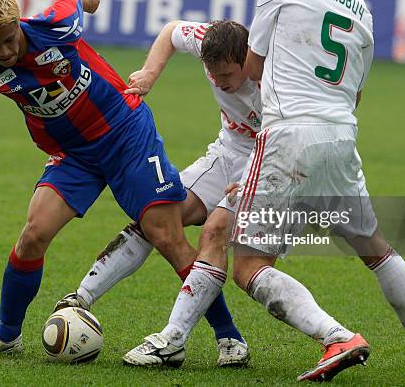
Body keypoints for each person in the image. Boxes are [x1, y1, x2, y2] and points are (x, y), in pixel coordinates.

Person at [124, 0, 405, 381]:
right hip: (342, 137)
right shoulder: (362, 8)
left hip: (288, 138)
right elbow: (356, 92)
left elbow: (252, 66)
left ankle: (338, 337)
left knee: (248, 265)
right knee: (376, 249)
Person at [0, 0, 197, 354]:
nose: (5, 52)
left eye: (9, 40)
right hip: (74, 156)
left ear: (18, 22)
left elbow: (85, 2)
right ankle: (7, 336)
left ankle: (228, 336)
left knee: (166, 236)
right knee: (33, 235)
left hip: (125, 133)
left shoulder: (55, 23)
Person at [54, 19, 257, 367]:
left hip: (268, 162)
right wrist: (149, 74)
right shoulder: (209, 40)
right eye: (214, 74)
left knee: (215, 234)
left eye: (227, 75)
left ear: (248, 61)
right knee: (157, 217)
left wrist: (254, 178)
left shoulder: (275, 77)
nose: (221, 83)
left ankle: (201, 338)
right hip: (228, 152)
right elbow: (172, 31)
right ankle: (79, 300)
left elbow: (289, 136)